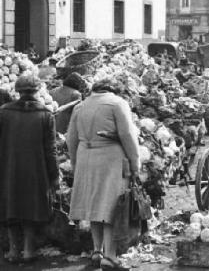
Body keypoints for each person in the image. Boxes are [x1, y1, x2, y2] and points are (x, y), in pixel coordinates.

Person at [67, 79, 140, 270]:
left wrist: (75, 162)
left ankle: (96, 250)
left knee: (93, 204)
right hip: (109, 158)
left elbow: (70, 138)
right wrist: (135, 162)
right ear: (114, 90)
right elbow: (127, 135)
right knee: (110, 206)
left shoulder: (80, 107)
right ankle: (110, 256)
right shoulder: (117, 103)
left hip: (85, 156)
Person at [0, 75, 59, 264]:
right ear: (37, 90)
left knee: (10, 206)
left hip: (7, 167)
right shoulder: (45, 114)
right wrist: (54, 175)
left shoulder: (3, 112)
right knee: (31, 207)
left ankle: (12, 250)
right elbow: (51, 150)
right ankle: (28, 250)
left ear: (17, 91)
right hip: (36, 170)